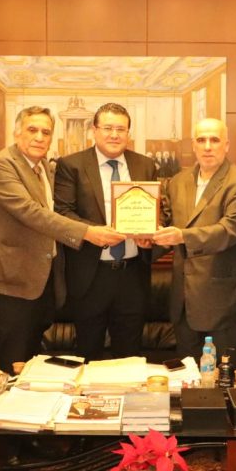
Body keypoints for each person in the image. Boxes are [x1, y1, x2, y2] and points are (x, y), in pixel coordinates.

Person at [0, 106, 124, 371]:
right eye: (32, 130)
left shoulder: (43, 167)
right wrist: (88, 232)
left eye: (46, 132)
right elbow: (31, 213)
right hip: (12, 282)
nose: (39, 137)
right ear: (17, 132)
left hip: (42, 281)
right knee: (12, 365)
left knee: (32, 366)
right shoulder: (2, 164)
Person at [154, 118, 236, 371]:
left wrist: (182, 236)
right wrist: (147, 237)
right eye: (201, 140)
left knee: (228, 383)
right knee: (189, 381)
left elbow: (230, 230)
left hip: (225, 305)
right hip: (183, 304)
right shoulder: (178, 181)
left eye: (215, 140)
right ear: (193, 145)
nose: (208, 146)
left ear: (227, 145)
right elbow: (168, 224)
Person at [54, 103, 157, 361]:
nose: (114, 135)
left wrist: (149, 235)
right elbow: (63, 212)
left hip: (132, 274)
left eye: (121, 129)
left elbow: (158, 210)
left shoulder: (145, 165)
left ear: (128, 133)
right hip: (90, 275)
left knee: (129, 356)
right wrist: (91, 232)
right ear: (94, 130)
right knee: (88, 356)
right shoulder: (71, 165)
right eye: (108, 128)